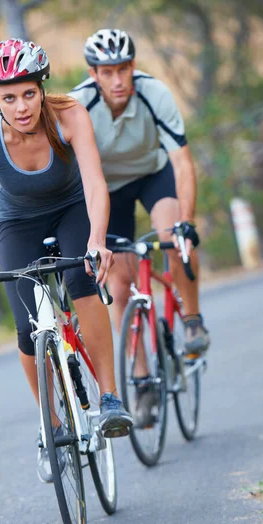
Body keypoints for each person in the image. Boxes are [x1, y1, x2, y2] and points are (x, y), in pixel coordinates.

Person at [0, 38, 132, 482]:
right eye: (9, 97)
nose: (22, 106)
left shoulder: (68, 115)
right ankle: (49, 428)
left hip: (72, 209)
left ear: (41, 89)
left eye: (29, 93)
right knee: (28, 330)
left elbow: (93, 184)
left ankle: (109, 399)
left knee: (85, 284)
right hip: (18, 222)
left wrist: (96, 241)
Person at [69, 28, 210, 428]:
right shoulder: (81, 103)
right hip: (107, 191)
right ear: (93, 73)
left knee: (173, 237)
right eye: (107, 72)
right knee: (119, 280)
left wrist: (188, 220)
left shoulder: (154, 93)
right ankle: (143, 377)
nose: (118, 80)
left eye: (124, 69)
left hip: (153, 175)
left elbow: (182, 162)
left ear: (133, 67)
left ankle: (193, 319)